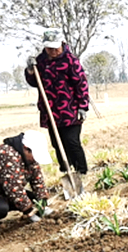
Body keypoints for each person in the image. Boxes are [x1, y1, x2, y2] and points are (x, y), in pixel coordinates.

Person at [24, 29, 90, 176]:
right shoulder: (40, 62)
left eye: (56, 48)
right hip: (50, 111)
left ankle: (81, 170)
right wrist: (30, 70)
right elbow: (34, 82)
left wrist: (83, 106)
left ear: (61, 44)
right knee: (57, 143)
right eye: (49, 48)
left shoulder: (70, 61)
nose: (53, 51)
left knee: (71, 141)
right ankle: (66, 169)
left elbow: (81, 84)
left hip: (69, 109)